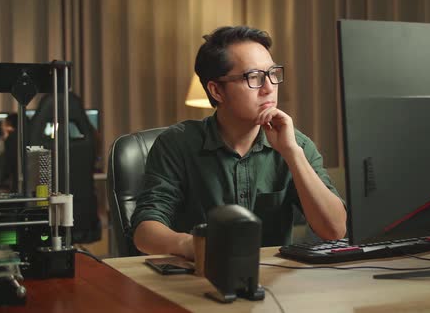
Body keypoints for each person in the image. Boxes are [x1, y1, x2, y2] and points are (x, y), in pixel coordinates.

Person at [131, 26, 346, 260]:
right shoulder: (177, 144)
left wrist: (292, 154)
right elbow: (144, 232)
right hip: (197, 278)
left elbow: (334, 230)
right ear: (216, 90)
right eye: (254, 77)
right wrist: (193, 246)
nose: (269, 87)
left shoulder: (296, 144)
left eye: (273, 73)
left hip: (275, 283)